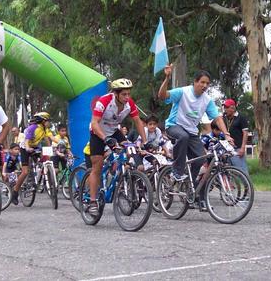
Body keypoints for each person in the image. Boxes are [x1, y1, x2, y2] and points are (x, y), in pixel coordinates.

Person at [158, 64, 233, 184]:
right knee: (183, 136)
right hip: (173, 126)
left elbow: (218, 118)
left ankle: (190, 187)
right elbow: (162, 96)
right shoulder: (183, 92)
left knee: (201, 159)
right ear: (195, 82)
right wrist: (167, 78)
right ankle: (176, 170)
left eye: (207, 84)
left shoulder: (207, 100)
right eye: (202, 82)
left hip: (191, 132)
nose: (205, 85)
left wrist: (227, 134)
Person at [87, 78, 147, 216]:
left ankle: (125, 177)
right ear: (116, 93)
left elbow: (138, 122)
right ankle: (92, 201)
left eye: (129, 94)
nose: (127, 97)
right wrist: (105, 138)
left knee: (129, 150)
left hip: (114, 131)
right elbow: (95, 123)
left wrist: (144, 141)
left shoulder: (129, 104)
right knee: (97, 166)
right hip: (98, 133)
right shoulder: (104, 101)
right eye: (124, 94)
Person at [222, 98, 250, 175]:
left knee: (242, 170)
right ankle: (233, 186)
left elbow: (245, 133)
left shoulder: (241, 117)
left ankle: (248, 186)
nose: (225, 109)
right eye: (224, 107)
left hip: (237, 148)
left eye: (227, 107)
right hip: (226, 149)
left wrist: (243, 147)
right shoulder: (224, 118)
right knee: (229, 172)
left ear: (233, 108)